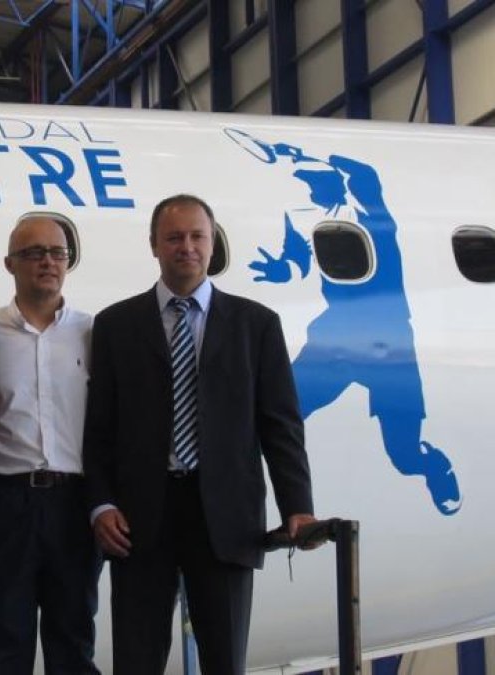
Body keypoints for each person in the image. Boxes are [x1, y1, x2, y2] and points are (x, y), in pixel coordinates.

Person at [83, 194, 316, 675]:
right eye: (173, 237)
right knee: (136, 659)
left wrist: (297, 505)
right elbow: (100, 426)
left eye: (196, 236)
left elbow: (280, 426)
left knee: (225, 660)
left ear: (213, 244)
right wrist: (101, 503)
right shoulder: (115, 325)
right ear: (154, 245)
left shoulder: (257, 325)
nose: (185, 247)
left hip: (227, 517)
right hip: (140, 519)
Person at [227, 130, 461, 515]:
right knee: (273, 417)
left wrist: (303, 152)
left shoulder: (369, 213)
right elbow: (296, 262)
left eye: (316, 182)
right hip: (334, 337)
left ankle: (432, 465)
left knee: (403, 455)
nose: (311, 190)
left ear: (336, 182)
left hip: (389, 343)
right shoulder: (302, 218)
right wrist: (280, 270)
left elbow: (365, 174)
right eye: (307, 183)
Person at [0, 216, 103, 675]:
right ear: (9, 264)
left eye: (57, 253)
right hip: (7, 502)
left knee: (73, 642)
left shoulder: (93, 333)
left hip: (75, 504)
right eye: (33, 253)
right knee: (5, 643)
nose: (47, 262)